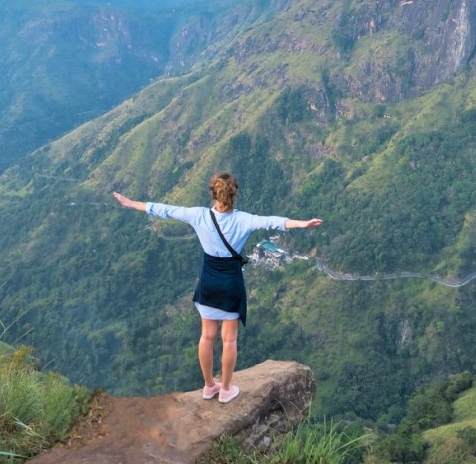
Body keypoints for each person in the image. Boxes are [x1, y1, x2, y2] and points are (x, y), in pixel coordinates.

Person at [114, 172, 322, 404]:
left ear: (213, 194)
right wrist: (303, 224)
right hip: (231, 283)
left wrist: (132, 204)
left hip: (208, 282)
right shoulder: (244, 219)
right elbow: (274, 221)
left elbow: (165, 209)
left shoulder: (199, 215)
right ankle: (225, 389)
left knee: (206, 336)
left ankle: (208, 386)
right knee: (229, 340)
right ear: (234, 194)